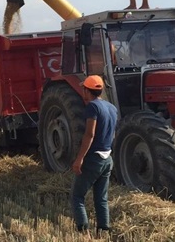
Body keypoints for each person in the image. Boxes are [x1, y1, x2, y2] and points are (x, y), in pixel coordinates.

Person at [71, 75, 118, 236]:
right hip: (107, 159)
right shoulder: (112, 107)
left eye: (83, 88)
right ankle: (104, 229)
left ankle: (83, 231)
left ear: (86, 90)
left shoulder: (92, 107)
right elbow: (112, 134)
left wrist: (79, 159)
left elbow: (89, 135)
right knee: (101, 198)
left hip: (93, 159)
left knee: (77, 196)